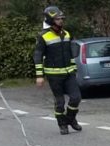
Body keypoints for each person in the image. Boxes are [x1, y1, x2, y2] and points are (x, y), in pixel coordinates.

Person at [33, 5, 81, 135]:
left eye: (62, 18)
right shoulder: (43, 36)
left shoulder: (67, 34)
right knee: (60, 102)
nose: (61, 21)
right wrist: (39, 76)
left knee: (76, 98)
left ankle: (70, 119)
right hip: (54, 75)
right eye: (58, 19)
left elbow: (71, 54)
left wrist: (74, 69)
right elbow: (37, 56)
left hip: (69, 73)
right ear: (50, 20)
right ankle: (62, 125)